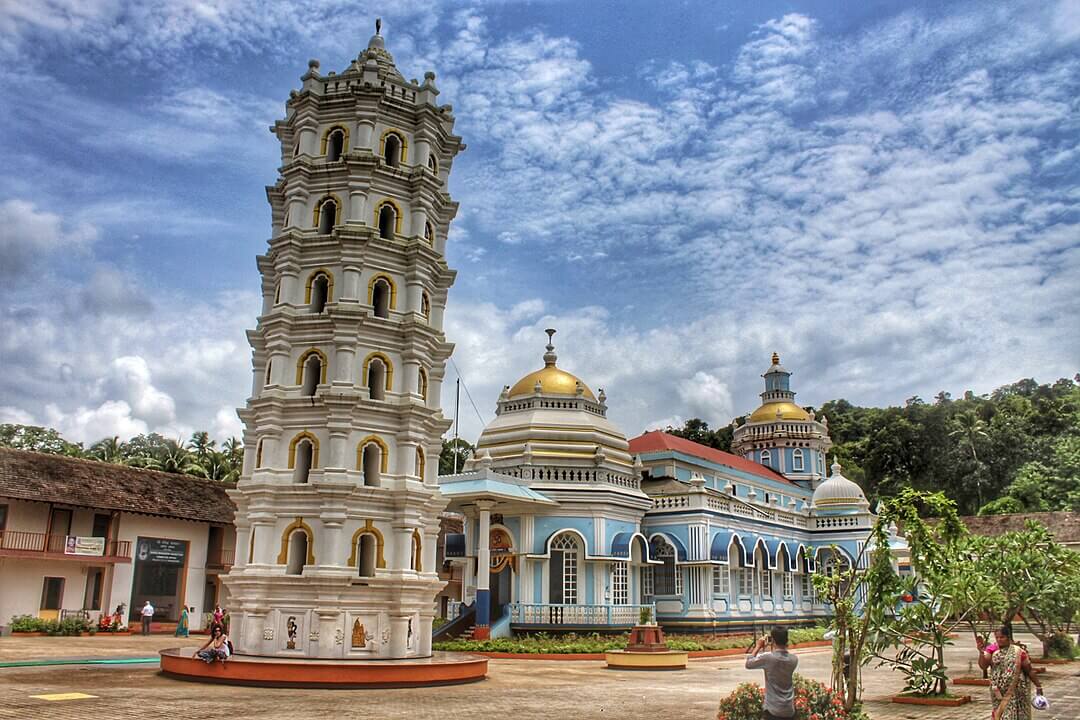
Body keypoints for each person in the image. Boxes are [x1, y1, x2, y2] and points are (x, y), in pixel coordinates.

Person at [978, 626, 1042, 720]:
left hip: (1017, 692)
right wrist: (981, 653)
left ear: (1008, 637)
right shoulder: (991, 650)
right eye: (997, 637)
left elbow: (1029, 670)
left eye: (1002, 637)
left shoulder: (1018, 652)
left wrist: (1038, 686)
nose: (999, 640)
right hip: (998, 692)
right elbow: (983, 666)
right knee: (1000, 715)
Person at [745, 626, 798, 720]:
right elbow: (778, 659)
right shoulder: (794, 659)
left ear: (772, 640)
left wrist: (758, 646)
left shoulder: (767, 658)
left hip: (772, 709)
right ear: (786, 640)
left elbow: (749, 664)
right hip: (789, 709)